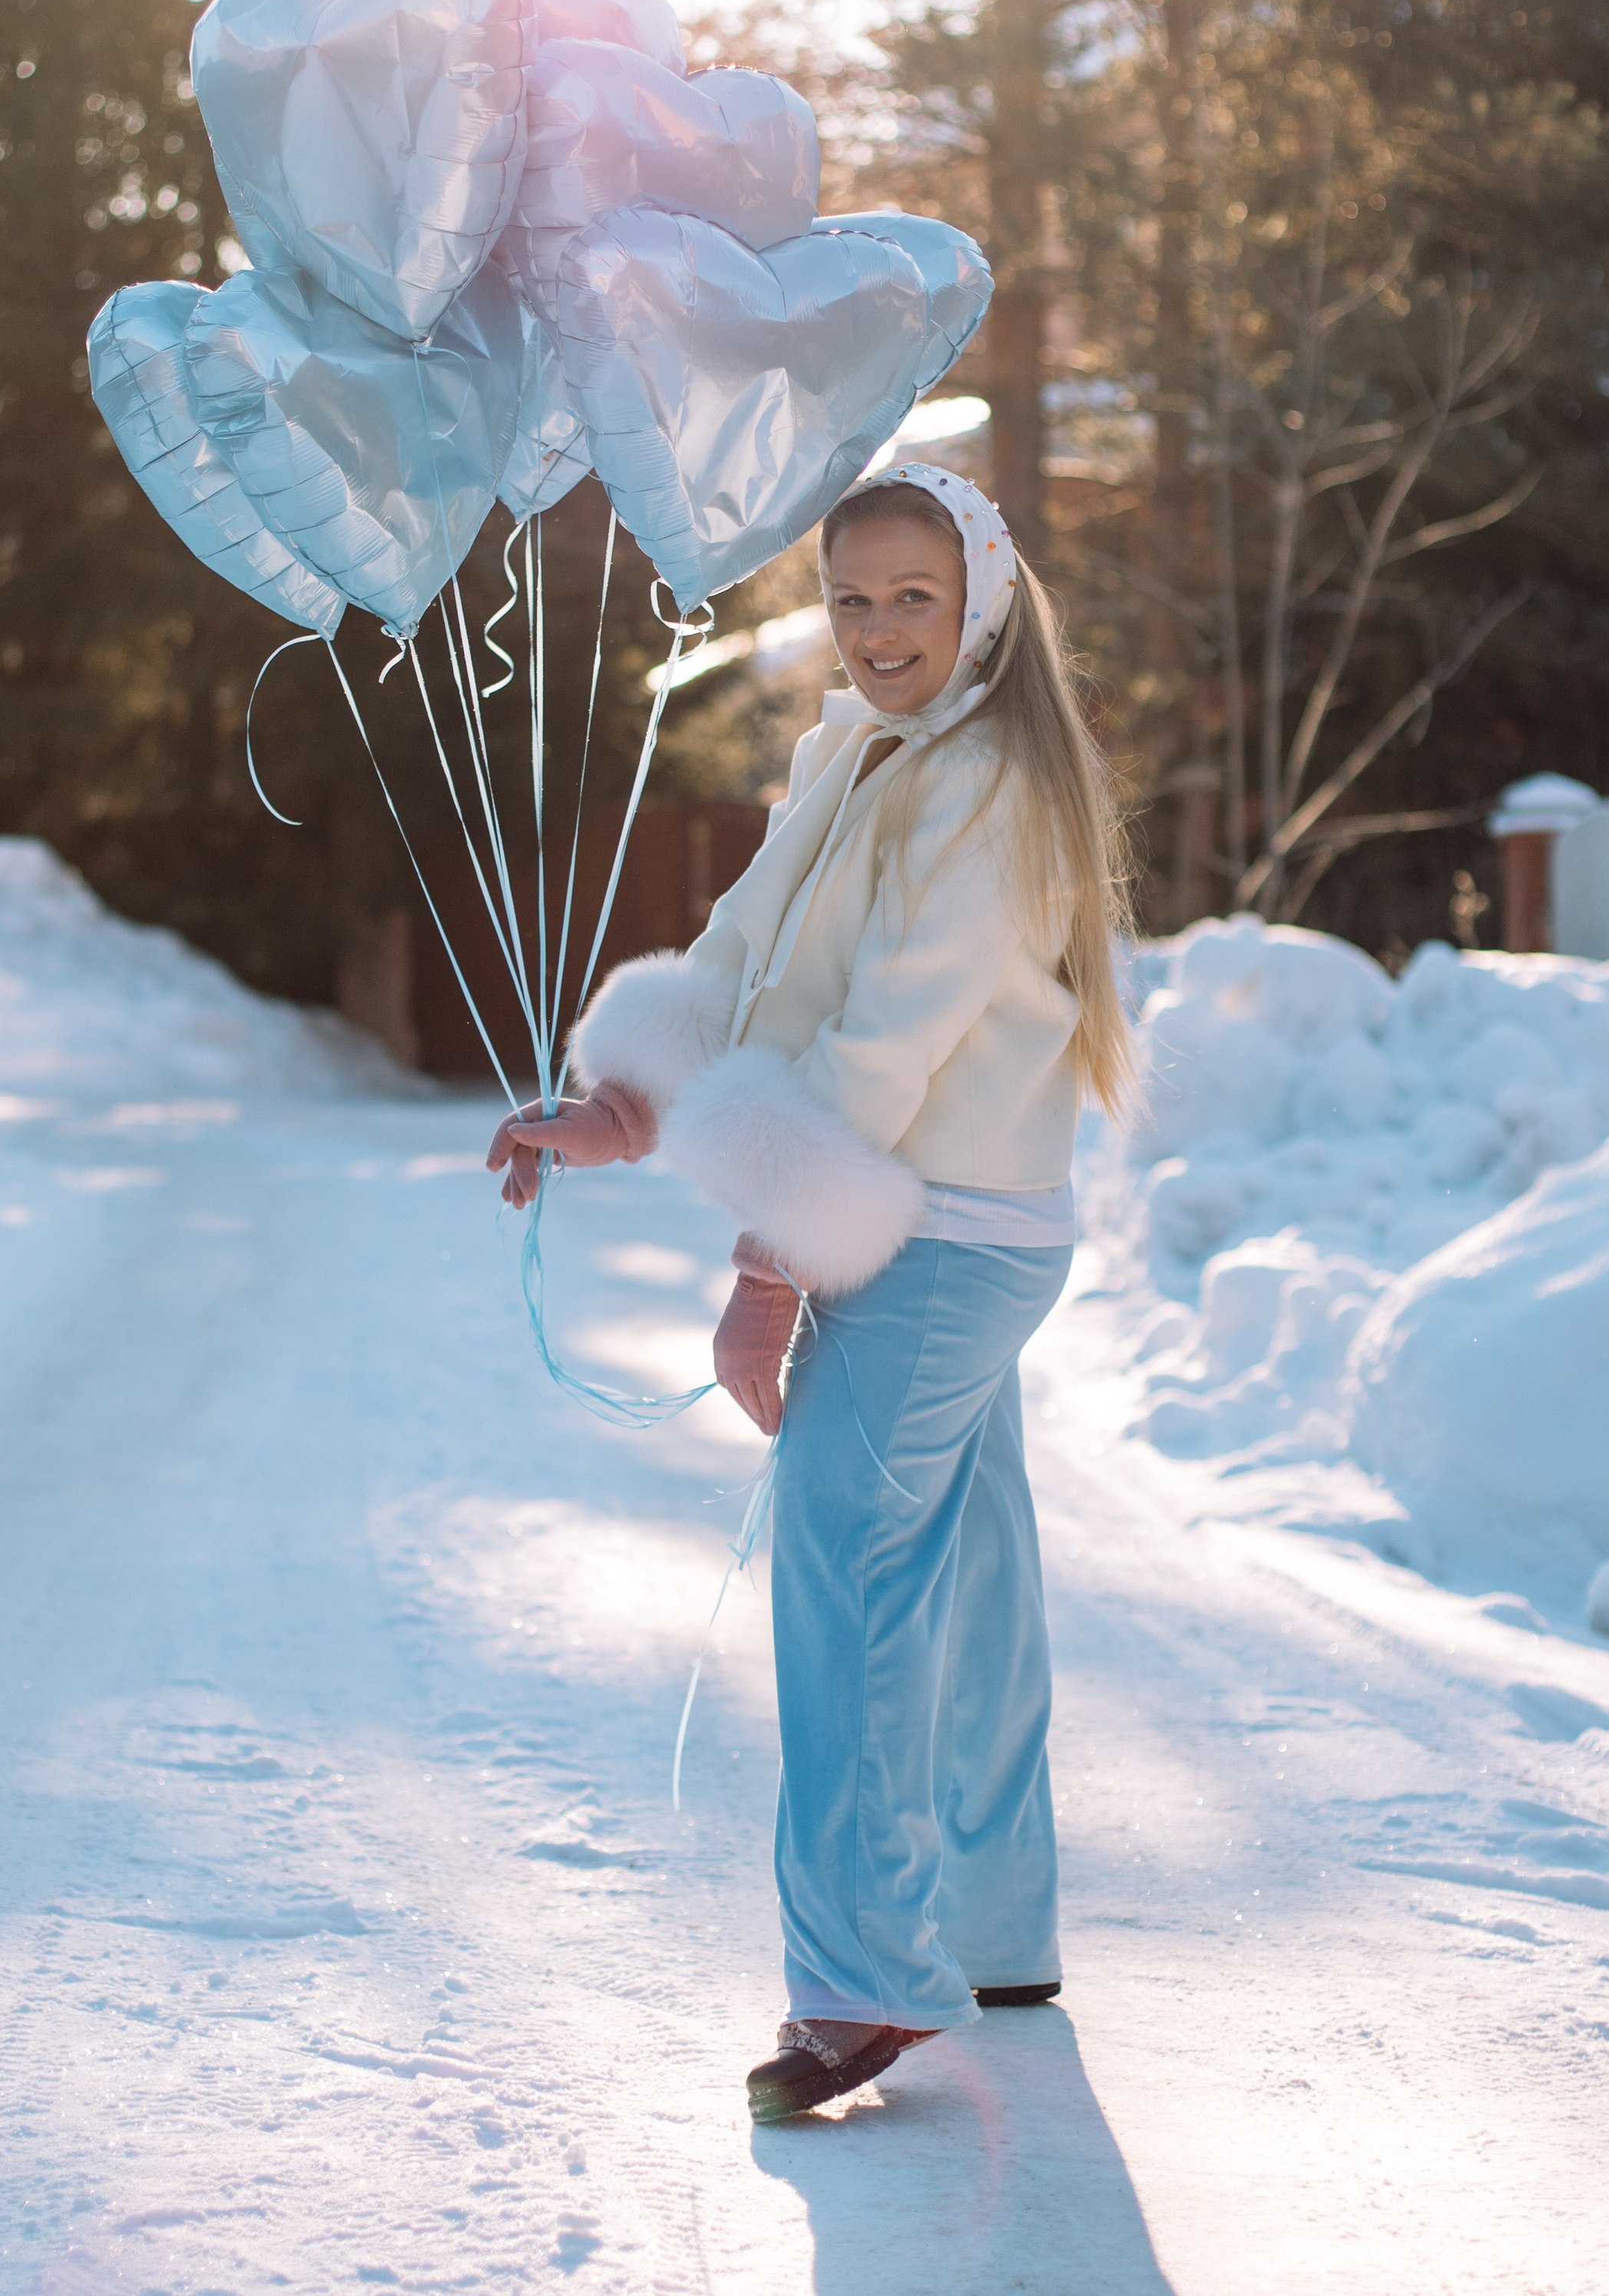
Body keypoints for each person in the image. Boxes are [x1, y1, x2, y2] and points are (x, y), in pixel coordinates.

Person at [486, 465, 1133, 2123]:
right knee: (967, 1560)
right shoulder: (846, 755)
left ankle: (862, 1979)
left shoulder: (986, 779)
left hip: (951, 1230)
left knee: (843, 1569)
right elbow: (748, 972)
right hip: (926, 1217)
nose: (876, 632)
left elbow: (882, 1048)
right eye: (849, 600)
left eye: (911, 597)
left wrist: (767, 1270)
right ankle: (990, 1924)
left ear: (979, 599)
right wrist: (627, 1101)